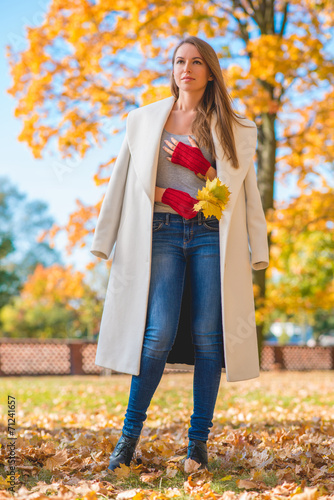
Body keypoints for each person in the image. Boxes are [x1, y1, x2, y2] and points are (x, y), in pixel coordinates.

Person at [90, 36, 269, 472]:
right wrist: (167, 192)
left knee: (210, 339)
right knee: (157, 334)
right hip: (162, 231)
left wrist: (201, 168)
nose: (185, 68)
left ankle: (197, 445)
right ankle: (128, 438)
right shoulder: (145, 120)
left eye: (195, 62)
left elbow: (239, 195)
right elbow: (126, 185)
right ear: (171, 69)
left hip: (210, 235)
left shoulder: (231, 125)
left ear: (209, 70)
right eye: (178, 61)